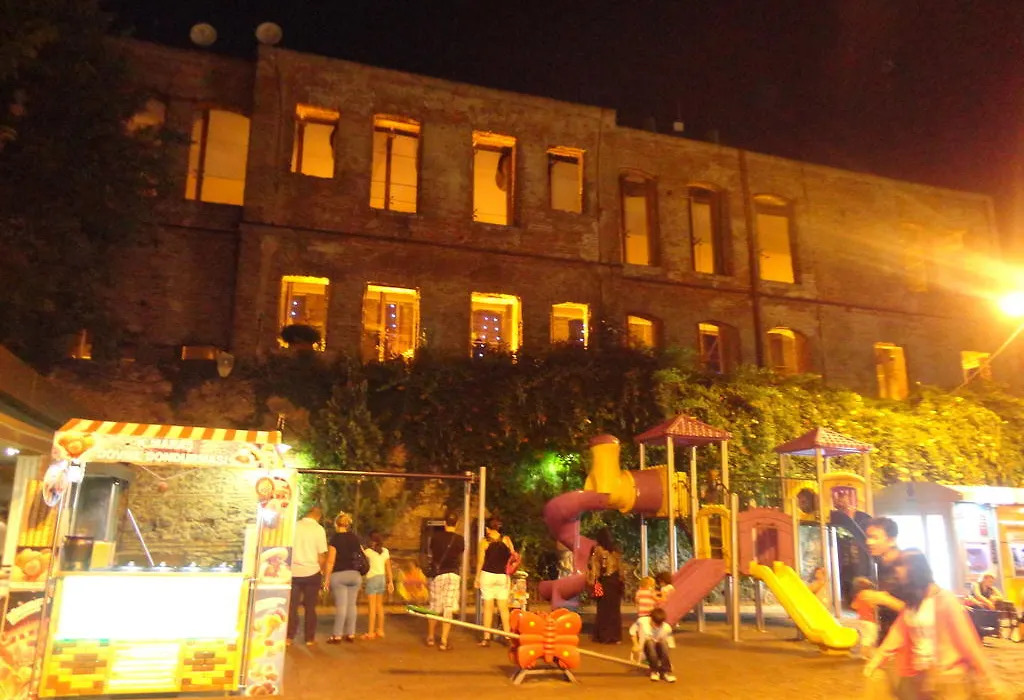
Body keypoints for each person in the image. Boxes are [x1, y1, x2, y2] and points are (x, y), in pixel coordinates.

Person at [864, 549, 1002, 699]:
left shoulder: (945, 600)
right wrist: (877, 659)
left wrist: (989, 677)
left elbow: (967, 641)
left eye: (901, 566)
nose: (897, 572)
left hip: (949, 680)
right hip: (922, 678)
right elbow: (898, 633)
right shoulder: (913, 602)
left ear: (916, 569)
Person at [859, 517, 904, 644]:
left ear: (891, 540)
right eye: (868, 537)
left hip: (908, 643)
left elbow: (922, 610)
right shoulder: (880, 563)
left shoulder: (907, 565)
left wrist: (884, 599)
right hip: (887, 639)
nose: (868, 542)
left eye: (874, 537)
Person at [287, 505, 327, 646]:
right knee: (310, 607)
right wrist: (322, 571)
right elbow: (321, 554)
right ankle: (309, 638)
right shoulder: (318, 529)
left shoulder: (294, 526)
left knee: (292, 607)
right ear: (318, 516)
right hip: (312, 571)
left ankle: (289, 637)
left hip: (294, 572)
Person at [426, 510, 464, 651]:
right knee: (448, 608)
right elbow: (459, 555)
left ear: (444, 523)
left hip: (438, 574)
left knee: (434, 606)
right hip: (453, 574)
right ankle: (443, 640)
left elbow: (431, 554)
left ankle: (430, 637)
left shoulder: (435, 538)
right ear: (456, 523)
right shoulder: (460, 539)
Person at [324, 511, 363, 644]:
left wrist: (326, 579)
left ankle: (337, 635)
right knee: (352, 605)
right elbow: (360, 554)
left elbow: (330, 561)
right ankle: (351, 633)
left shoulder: (335, 539)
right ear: (347, 524)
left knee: (341, 606)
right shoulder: (355, 538)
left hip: (339, 575)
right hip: (355, 575)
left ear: (336, 524)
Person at [475, 518, 515, 646]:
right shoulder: (506, 540)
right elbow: (513, 557)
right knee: (503, 608)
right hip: (502, 576)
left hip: (487, 575)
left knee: (488, 608)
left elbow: (480, 561)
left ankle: (486, 637)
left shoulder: (484, 542)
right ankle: (508, 637)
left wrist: (477, 577)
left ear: (488, 528)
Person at [588, 527, 624, 644]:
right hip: (616, 583)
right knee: (615, 611)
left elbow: (595, 569)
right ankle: (615, 636)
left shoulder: (598, 550)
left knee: (603, 610)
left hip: (605, 582)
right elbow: (621, 569)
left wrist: (593, 583)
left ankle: (604, 636)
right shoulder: (616, 551)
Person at [629, 607, 676, 683]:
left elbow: (670, 646)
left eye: (659, 624)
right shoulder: (641, 621)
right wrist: (635, 644)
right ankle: (655, 671)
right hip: (645, 652)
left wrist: (664, 661)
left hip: (659, 655)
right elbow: (632, 631)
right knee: (650, 642)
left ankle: (665, 672)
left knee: (663, 642)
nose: (657, 626)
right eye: (655, 624)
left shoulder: (667, 628)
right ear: (651, 618)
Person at [361, 531, 394, 639]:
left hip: (372, 579)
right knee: (380, 606)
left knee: (372, 607)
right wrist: (390, 581)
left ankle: (370, 632)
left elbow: (361, 556)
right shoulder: (385, 551)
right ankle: (380, 630)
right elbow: (388, 567)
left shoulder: (368, 552)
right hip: (382, 578)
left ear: (372, 541)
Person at [845, 576, 880, 658]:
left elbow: (854, 606)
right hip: (870, 621)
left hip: (861, 620)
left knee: (865, 638)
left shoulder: (859, 595)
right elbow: (874, 607)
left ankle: (865, 654)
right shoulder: (870, 594)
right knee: (869, 640)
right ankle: (866, 655)